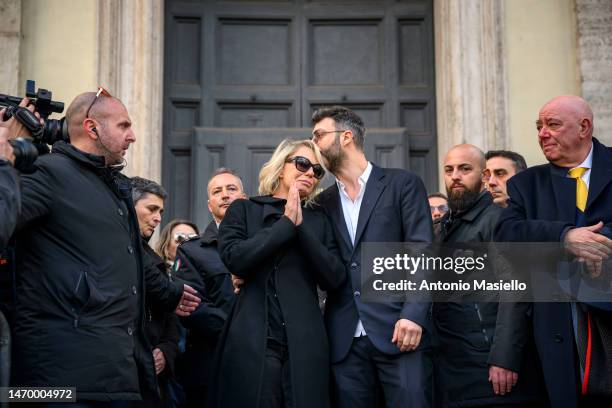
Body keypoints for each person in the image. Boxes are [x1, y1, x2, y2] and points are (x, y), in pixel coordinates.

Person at [10, 89, 200, 405]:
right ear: (92, 127)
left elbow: (131, 258)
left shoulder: (115, 188)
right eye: (124, 126)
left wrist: (169, 293)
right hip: (58, 381)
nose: (133, 136)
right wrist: (10, 153)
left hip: (118, 375)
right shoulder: (47, 174)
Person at [311, 106, 433, 408]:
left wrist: (412, 314)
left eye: (319, 135)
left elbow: (422, 251)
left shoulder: (402, 184)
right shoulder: (321, 202)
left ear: (347, 137)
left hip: (399, 330)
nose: (314, 144)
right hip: (343, 341)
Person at [495, 95, 612, 407]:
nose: (543, 133)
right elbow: (506, 236)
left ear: (584, 127)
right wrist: (564, 237)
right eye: (539, 126)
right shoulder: (526, 184)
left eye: (553, 125)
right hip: (558, 324)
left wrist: (601, 248)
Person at [213, 139, 345, 408]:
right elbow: (235, 259)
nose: (310, 173)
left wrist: (301, 228)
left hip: (305, 342)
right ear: (280, 166)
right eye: (302, 164)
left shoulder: (320, 220)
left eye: (317, 171)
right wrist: (286, 224)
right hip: (254, 338)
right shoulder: (244, 209)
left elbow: (335, 276)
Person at [434, 144, 545, 407]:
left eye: (465, 169)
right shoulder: (445, 226)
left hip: (489, 367)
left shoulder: (499, 220)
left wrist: (504, 358)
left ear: (484, 176)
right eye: (449, 170)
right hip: (453, 366)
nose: (455, 176)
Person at [174, 168, 245, 407]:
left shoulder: (264, 243)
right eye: (217, 191)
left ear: (244, 198)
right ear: (209, 204)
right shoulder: (192, 250)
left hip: (260, 365)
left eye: (231, 189)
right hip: (210, 365)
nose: (225, 195)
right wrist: (238, 330)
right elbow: (191, 305)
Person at [132, 176, 181, 408]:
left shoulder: (155, 262)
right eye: (151, 209)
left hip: (154, 382)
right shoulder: (115, 252)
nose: (158, 218)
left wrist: (165, 350)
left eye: (160, 211)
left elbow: (170, 319)